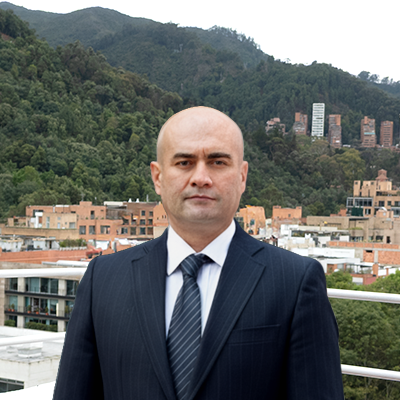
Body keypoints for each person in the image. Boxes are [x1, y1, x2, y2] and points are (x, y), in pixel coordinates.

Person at [53, 107, 344, 400]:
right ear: (158, 177)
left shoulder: (295, 282)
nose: (201, 178)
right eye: (184, 162)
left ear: (242, 176)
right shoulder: (103, 279)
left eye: (218, 162)